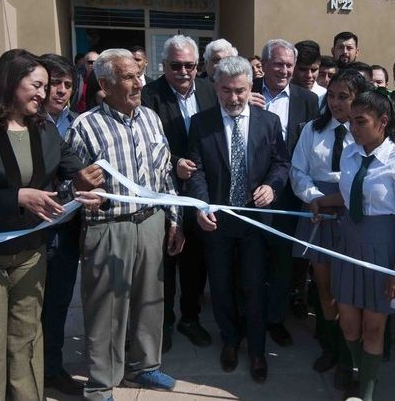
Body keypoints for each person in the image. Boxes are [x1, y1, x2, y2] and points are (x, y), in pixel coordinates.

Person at [0, 49, 101, 400]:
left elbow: (73, 172)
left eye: (46, 87)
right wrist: (17, 197)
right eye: (37, 85)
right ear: (10, 83)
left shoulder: (45, 130)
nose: (44, 94)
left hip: (31, 253)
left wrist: (84, 187)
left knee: (27, 339)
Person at [65, 48, 184, 399]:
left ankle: (144, 369)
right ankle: (102, 383)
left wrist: (175, 219)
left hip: (151, 223)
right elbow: (70, 183)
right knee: (107, 309)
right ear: (105, 83)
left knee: (151, 302)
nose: (138, 83)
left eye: (139, 74)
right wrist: (81, 189)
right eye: (129, 77)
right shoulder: (85, 126)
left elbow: (164, 175)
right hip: (108, 228)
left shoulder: (150, 118)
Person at [311, 89, 395, 401]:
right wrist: (322, 201)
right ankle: (359, 370)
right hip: (349, 246)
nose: (353, 129)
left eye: (361, 122)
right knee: (348, 324)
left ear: (383, 122)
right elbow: (349, 197)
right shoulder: (350, 153)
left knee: (374, 328)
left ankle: (366, 392)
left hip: (383, 249)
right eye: (351, 122)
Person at [187, 55, 290, 383]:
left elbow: (281, 164)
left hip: (254, 223)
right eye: (227, 91)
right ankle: (230, 341)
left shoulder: (268, 122)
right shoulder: (201, 124)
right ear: (215, 87)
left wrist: (272, 188)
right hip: (217, 220)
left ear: (251, 88)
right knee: (220, 286)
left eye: (241, 91)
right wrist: (202, 206)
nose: (233, 98)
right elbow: (196, 169)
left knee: (254, 287)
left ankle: (257, 349)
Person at [290, 69, 368, 390]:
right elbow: (298, 170)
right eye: (332, 95)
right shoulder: (312, 129)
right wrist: (314, 198)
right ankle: (330, 346)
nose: (336, 102)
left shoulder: (365, 133)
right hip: (319, 214)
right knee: (324, 287)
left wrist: (338, 197)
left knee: (350, 290)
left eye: (344, 96)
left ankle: (351, 356)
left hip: (354, 216)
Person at [142, 35, 217, 352]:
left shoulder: (211, 90)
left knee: (195, 262)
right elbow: (145, 144)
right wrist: (174, 163)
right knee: (166, 261)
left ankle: (190, 316)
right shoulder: (149, 95)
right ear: (164, 66)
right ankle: (165, 322)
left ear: (198, 65)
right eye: (176, 65)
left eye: (190, 65)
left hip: (201, 193)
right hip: (164, 192)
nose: (184, 71)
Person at [254, 39, 319, 347]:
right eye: (278, 64)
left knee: (282, 259)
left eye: (289, 65)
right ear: (264, 64)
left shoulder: (307, 99)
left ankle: (276, 319)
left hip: (289, 191)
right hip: (250, 189)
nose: (284, 70)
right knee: (251, 257)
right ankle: (250, 315)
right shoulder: (246, 91)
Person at [36, 53, 87, 396]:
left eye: (68, 85)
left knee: (56, 305)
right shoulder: (21, 123)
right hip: (28, 230)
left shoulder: (80, 123)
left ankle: (51, 368)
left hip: (67, 231)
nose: (61, 91)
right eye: (55, 83)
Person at [292, 40, 328, 111]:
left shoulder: (326, 97)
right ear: (293, 66)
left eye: (314, 70)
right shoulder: (278, 93)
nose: (309, 75)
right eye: (303, 69)